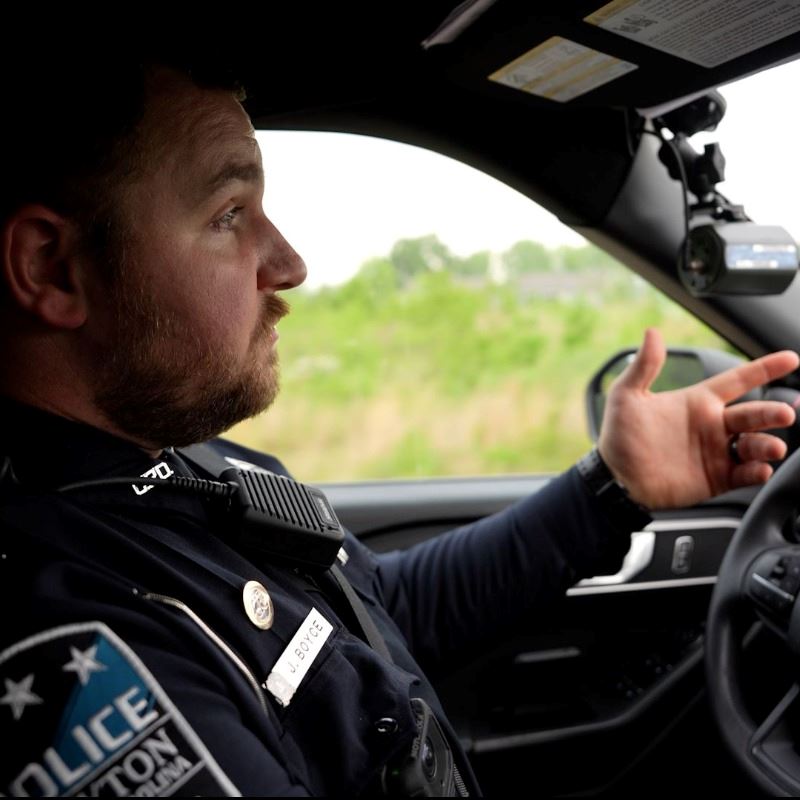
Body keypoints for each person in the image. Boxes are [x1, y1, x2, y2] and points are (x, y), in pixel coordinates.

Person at [0, 51, 797, 798]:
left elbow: (379, 611)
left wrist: (612, 487)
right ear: (52, 268)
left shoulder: (185, 464)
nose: (289, 265)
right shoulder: (75, 635)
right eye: (228, 215)